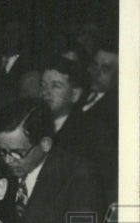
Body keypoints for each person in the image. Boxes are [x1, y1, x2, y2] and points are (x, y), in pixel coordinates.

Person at [0, 99, 101, 223]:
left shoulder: (79, 176)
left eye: (17, 153)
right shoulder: (0, 170)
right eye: (3, 151)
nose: (7, 160)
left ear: (45, 144)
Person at [41, 56, 116, 207]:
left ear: (75, 94)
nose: (45, 93)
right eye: (43, 85)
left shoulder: (93, 133)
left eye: (55, 86)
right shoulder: (34, 124)